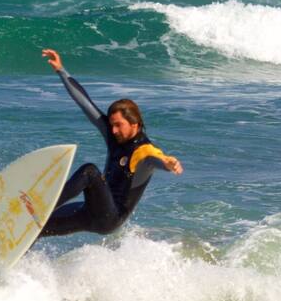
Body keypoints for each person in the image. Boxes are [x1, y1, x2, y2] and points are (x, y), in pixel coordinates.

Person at [38, 48, 182, 238]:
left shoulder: (144, 151)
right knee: (37, 227)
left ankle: (44, 206)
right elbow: (85, 103)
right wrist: (61, 70)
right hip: (89, 211)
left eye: (118, 125)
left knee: (90, 171)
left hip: (110, 218)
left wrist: (168, 164)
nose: (113, 130)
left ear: (135, 124)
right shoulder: (115, 136)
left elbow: (156, 159)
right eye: (112, 125)